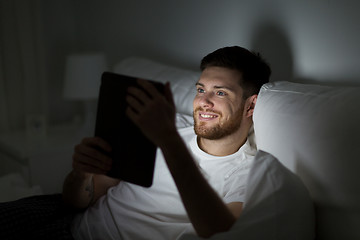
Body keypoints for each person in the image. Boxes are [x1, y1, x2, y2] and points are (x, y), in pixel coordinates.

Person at [63, 46, 271, 240]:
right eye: (200, 90)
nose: (203, 102)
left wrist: (168, 139)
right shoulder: (166, 124)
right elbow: (84, 198)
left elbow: (219, 232)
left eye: (220, 93)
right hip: (73, 228)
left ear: (251, 105)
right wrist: (81, 175)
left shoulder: (248, 173)